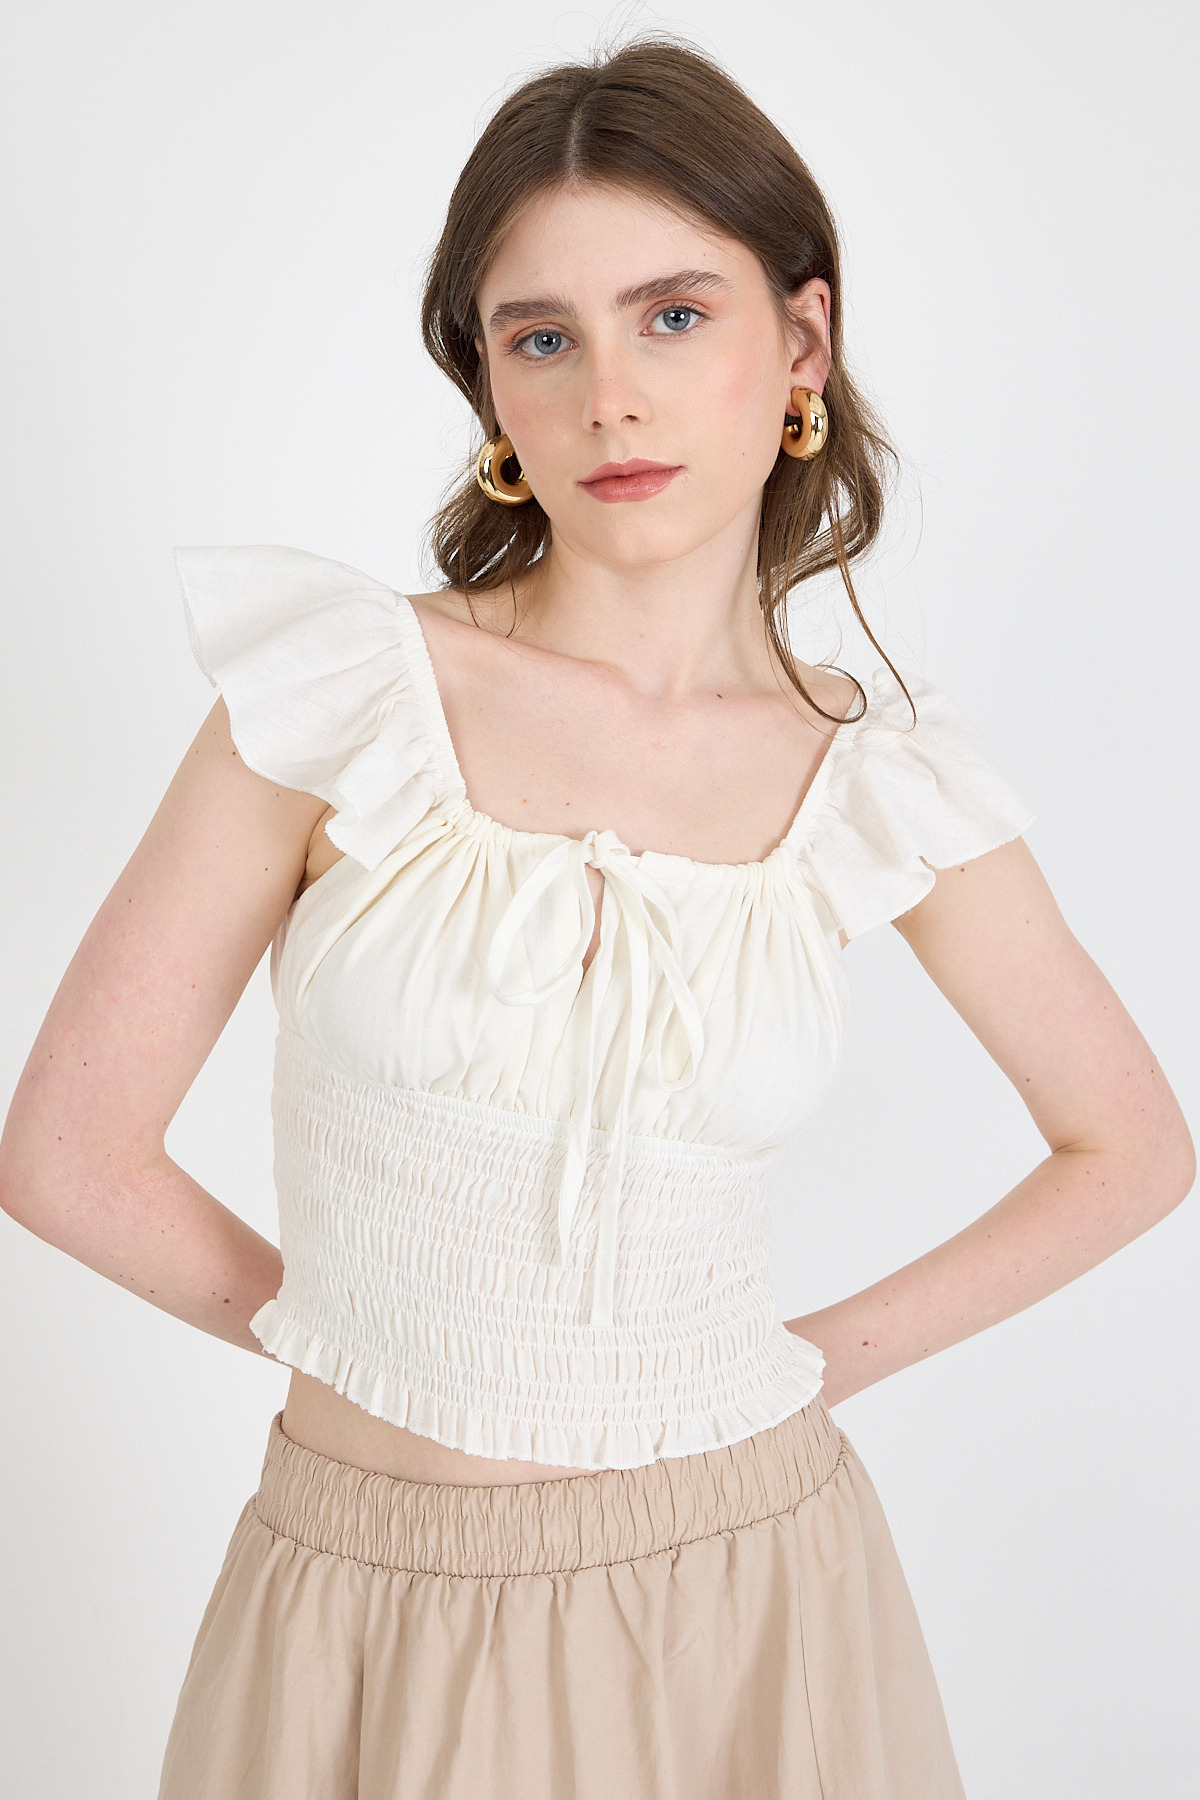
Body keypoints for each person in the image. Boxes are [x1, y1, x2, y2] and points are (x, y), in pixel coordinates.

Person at [0, 33, 1192, 1800]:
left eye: (673, 315)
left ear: (802, 342)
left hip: (748, 1598)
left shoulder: (874, 778)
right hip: (363, 1598)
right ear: (489, 384)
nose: (609, 399)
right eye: (542, 337)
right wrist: (360, 1343)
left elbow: (1131, 1147)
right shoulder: (347, 694)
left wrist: (806, 1366)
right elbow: (67, 1156)